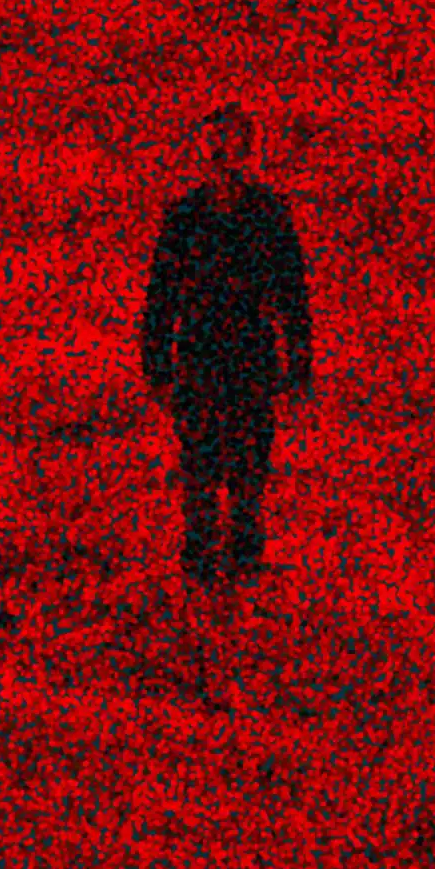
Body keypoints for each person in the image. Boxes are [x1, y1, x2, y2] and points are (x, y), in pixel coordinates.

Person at [141, 102, 313, 596]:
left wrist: (298, 363)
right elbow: (162, 295)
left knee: (248, 462)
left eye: (234, 147)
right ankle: (199, 557)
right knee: (199, 461)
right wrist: (157, 364)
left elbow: (292, 293)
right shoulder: (185, 217)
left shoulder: (268, 216)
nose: (223, 158)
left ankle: (243, 556)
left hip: (250, 353)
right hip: (198, 353)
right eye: (216, 147)